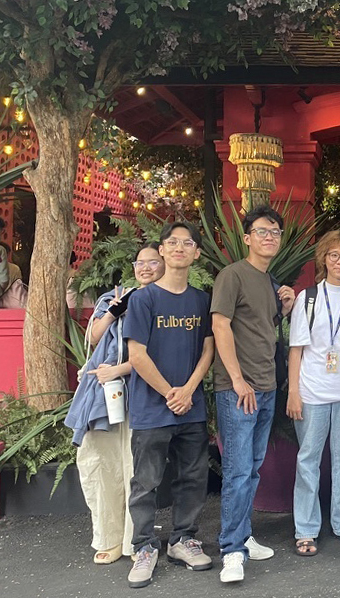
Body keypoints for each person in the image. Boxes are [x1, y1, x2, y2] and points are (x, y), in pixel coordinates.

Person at [123, 221, 215, 589]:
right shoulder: (143, 299)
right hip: (152, 408)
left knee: (193, 478)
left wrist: (188, 389)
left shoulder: (201, 300)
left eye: (187, 243)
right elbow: (137, 355)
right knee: (146, 481)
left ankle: (183, 539)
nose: (179, 248)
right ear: (161, 250)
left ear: (195, 253)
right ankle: (144, 546)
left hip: (190, 406)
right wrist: (169, 393)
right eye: (172, 242)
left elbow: (208, 348)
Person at [64, 243, 164, 566]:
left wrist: (118, 370)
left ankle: (135, 539)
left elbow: (160, 354)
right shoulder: (116, 295)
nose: (145, 268)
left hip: (141, 391)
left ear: (164, 264)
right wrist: (113, 311)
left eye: (152, 262)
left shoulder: (166, 303)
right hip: (102, 393)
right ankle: (107, 537)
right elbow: (93, 337)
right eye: (140, 262)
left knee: (134, 465)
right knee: (99, 461)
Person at [211, 205, 295, 583]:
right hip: (239, 389)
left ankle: (243, 535)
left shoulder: (268, 279)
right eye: (262, 231)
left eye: (275, 232)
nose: (269, 237)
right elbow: (220, 326)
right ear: (246, 238)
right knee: (237, 469)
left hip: (265, 386)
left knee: (252, 468)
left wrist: (286, 307)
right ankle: (231, 549)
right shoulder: (233, 275)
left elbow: (263, 330)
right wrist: (237, 379)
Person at [286, 231, 340, 557]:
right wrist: (293, 392)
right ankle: (305, 529)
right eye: (334, 255)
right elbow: (295, 351)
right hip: (311, 390)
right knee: (308, 459)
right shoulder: (307, 299)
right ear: (324, 259)